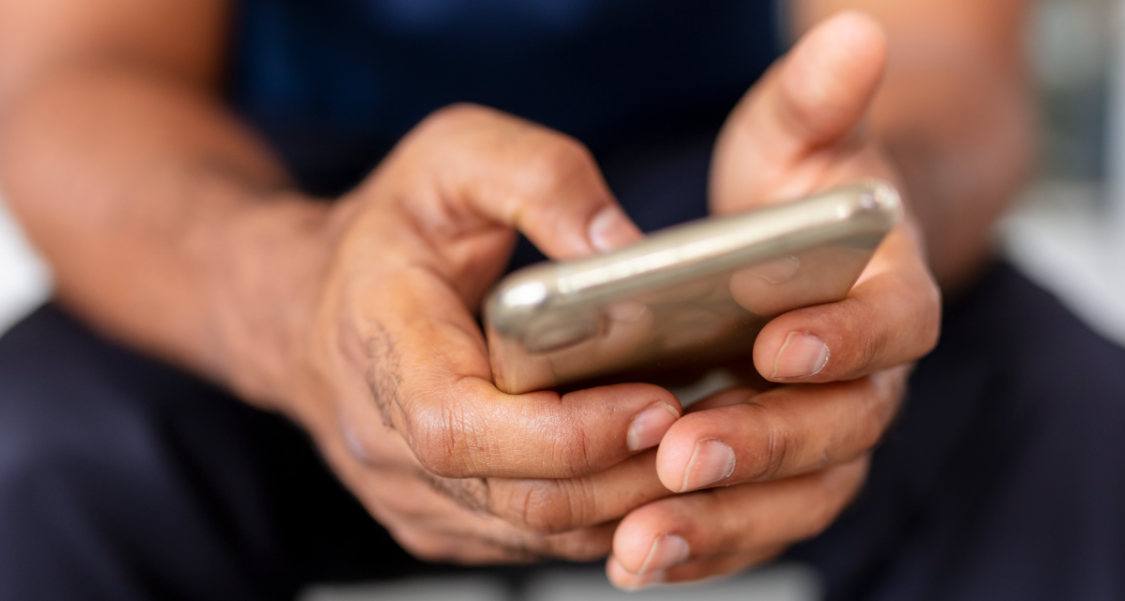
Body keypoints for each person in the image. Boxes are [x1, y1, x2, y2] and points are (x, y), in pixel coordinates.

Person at [4, 0, 1117, 600]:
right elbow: (73, 79)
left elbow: (946, 59)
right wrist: (294, 296)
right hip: (281, 203)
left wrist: (869, 201)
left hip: (715, 189)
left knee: (1070, 430)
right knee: (36, 457)